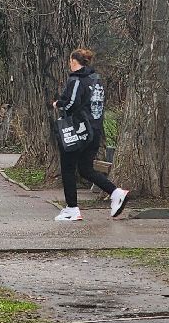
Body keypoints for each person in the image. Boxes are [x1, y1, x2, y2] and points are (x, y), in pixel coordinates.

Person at [51, 48, 128, 222]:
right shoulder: (96, 80)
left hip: (78, 130)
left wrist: (58, 104)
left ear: (73, 61)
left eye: (70, 61)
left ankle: (72, 209)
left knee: (68, 168)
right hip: (95, 130)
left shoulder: (77, 80)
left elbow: (71, 103)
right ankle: (116, 192)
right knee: (85, 169)